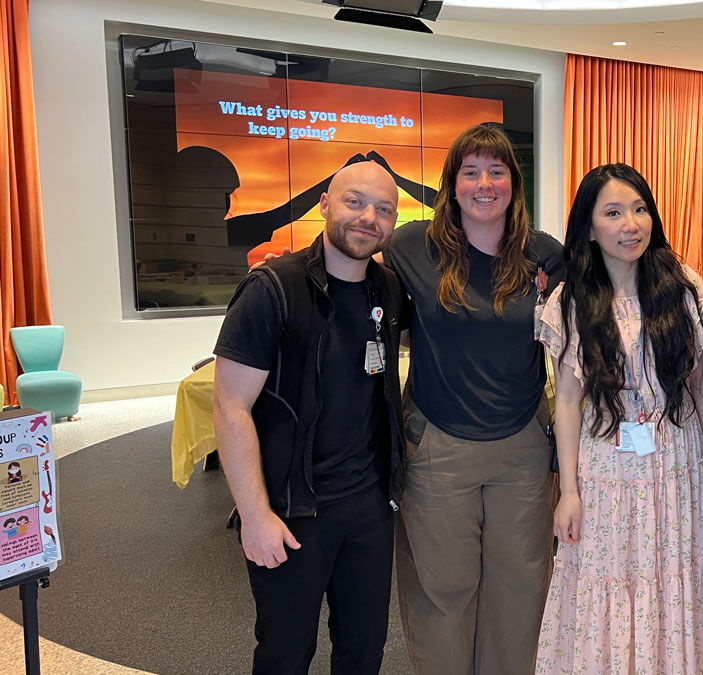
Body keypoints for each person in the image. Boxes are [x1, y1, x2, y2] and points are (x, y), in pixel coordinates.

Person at [212, 160, 406, 674]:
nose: (369, 217)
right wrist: (254, 516)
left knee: (363, 652)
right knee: (285, 655)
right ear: (324, 205)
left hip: (368, 507)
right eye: (355, 201)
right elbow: (230, 407)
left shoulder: (387, 290)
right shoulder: (272, 288)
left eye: (384, 209)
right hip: (292, 511)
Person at [383, 123, 564, 674]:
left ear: (514, 182)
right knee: (442, 587)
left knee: (522, 584)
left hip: (523, 446)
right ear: (452, 183)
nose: (484, 183)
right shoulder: (411, 247)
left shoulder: (545, 255)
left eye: (497, 170)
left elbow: (602, 316)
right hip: (439, 442)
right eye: (471, 172)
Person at [534, 164, 703, 673]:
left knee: (671, 580)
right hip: (605, 469)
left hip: (675, 463)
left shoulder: (682, 288)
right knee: (605, 582)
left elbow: (698, 382)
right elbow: (567, 401)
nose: (630, 224)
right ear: (589, 226)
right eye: (613, 212)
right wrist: (568, 491)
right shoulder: (569, 301)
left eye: (639, 209)